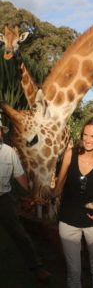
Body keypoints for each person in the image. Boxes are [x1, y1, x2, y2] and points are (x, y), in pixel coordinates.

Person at [52, 117, 93, 288]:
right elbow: (58, 188)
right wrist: (42, 193)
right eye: (84, 135)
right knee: (73, 271)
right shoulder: (70, 154)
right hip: (68, 222)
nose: (87, 140)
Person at [0, 118, 51, 283]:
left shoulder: (9, 152)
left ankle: (37, 268)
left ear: (2, 132)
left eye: (0, 130)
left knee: (20, 234)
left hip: (4, 199)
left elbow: (19, 176)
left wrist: (32, 194)